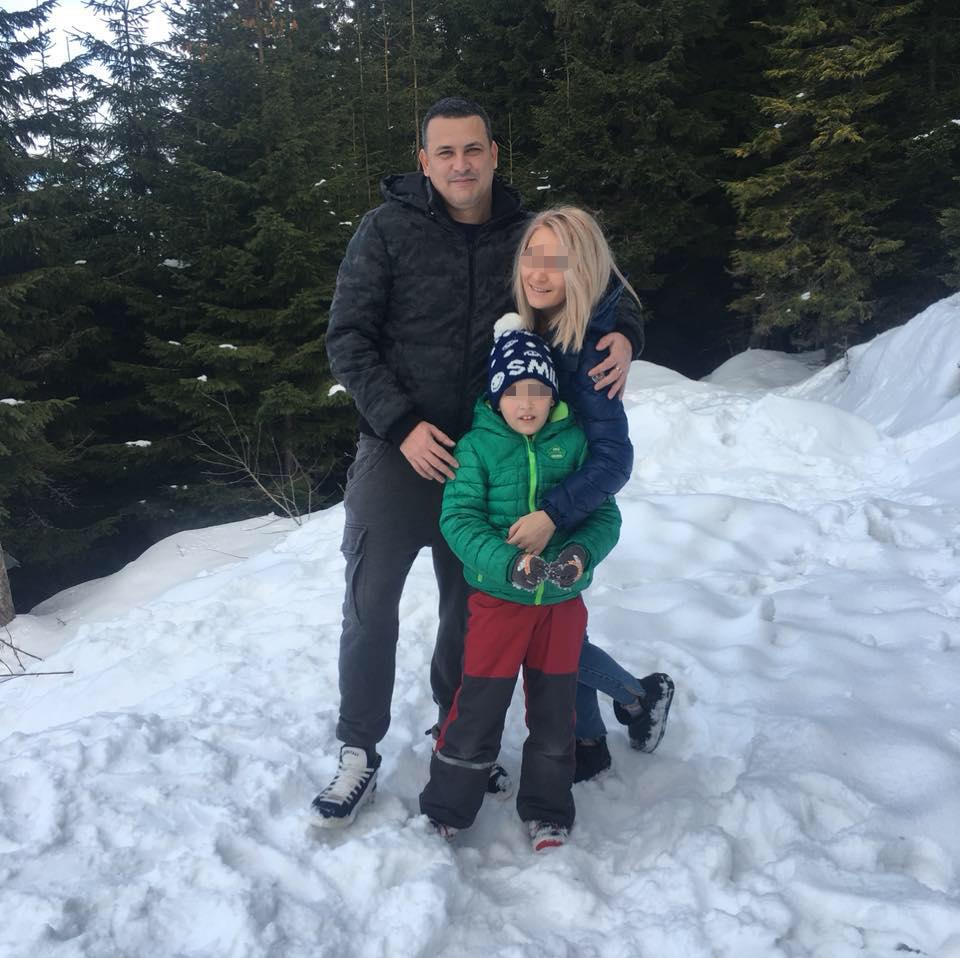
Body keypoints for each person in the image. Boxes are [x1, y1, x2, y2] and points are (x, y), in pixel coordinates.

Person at [312, 98, 642, 828]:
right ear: (424, 161)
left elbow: (600, 280)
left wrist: (627, 334)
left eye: (472, 149)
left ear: (494, 153)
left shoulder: (524, 233)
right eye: (445, 152)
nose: (460, 164)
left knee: (472, 607)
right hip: (399, 449)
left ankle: (454, 729)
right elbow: (348, 337)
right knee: (371, 605)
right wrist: (401, 424)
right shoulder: (386, 229)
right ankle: (358, 748)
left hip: (494, 456)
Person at [419, 324, 621, 850]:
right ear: (495, 396)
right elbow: (459, 520)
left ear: (553, 395)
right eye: (512, 392)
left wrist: (580, 554)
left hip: (561, 606)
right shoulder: (476, 448)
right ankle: (447, 807)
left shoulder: (575, 444)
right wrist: (509, 564)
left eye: (537, 390)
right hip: (497, 603)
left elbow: (604, 515)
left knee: (555, 712)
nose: (526, 404)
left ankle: (548, 809)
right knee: (478, 707)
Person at [502, 206, 675, 783]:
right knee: (557, 629)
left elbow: (614, 458)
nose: (538, 272)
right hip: (539, 504)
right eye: (531, 256)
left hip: (567, 511)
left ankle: (638, 696)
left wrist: (553, 514)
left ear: (582, 271)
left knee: (548, 636)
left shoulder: (593, 347)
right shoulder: (536, 330)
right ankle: (590, 738)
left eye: (556, 262)